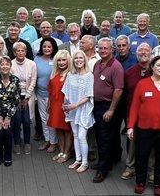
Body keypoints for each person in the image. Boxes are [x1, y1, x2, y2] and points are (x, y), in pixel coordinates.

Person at [126, 56, 160, 196]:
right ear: (152, 67)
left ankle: (158, 184)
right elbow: (134, 107)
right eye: (159, 65)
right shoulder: (142, 84)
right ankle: (140, 182)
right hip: (144, 128)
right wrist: (130, 126)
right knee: (141, 156)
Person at [91, 38, 124, 183]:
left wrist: (111, 110)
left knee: (104, 138)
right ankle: (109, 160)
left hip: (108, 106)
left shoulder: (116, 67)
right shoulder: (98, 63)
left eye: (106, 48)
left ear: (112, 50)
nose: (103, 50)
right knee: (102, 136)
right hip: (97, 105)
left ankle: (102, 170)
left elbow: (118, 90)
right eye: (100, 48)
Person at [120, 43, 152, 180]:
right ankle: (130, 166)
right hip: (133, 113)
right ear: (136, 53)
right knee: (132, 141)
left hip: (151, 115)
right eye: (140, 51)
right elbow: (125, 94)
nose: (143, 53)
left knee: (151, 143)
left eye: (146, 50)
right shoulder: (129, 73)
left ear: (151, 53)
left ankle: (151, 169)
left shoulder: (156, 71)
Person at [63, 50, 95, 173]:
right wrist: (66, 104)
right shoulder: (70, 75)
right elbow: (66, 91)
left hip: (83, 109)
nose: (78, 60)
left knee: (82, 136)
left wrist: (74, 105)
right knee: (75, 135)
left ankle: (85, 162)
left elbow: (88, 95)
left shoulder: (89, 75)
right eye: (76, 58)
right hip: (72, 109)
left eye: (81, 58)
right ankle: (78, 159)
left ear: (84, 60)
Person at [0, 56, 21, 166]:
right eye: (2, 64)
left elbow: (16, 99)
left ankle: (8, 156)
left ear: (10, 66)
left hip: (10, 112)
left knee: (7, 133)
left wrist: (8, 117)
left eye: (7, 64)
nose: (5, 66)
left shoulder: (15, 80)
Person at [10, 42, 37, 155]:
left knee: (26, 121)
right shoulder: (11, 64)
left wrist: (26, 97)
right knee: (16, 121)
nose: (20, 53)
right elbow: (10, 82)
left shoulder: (32, 64)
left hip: (28, 96)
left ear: (26, 52)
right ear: (14, 52)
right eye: (18, 51)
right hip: (15, 97)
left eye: (23, 51)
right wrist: (18, 98)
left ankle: (27, 142)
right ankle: (16, 142)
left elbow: (33, 81)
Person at [47, 50, 73, 163]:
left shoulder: (71, 74)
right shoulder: (54, 73)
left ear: (68, 61)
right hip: (54, 105)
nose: (61, 63)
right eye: (59, 60)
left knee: (67, 130)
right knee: (58, 128)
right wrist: (49, 104)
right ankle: (61, 151)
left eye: (64, 60)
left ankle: (67, 153)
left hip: (65, 106)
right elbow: (50, 90)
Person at [34, 38, 59, 153]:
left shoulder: (56, 60)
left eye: (49, 47)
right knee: (43, 118)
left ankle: (54, 142)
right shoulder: (37, 59)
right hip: (40, 93)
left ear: (53, 47)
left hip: (53, 95)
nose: (46, 49)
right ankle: (47, 139)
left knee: (51, 119)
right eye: (44, 46)